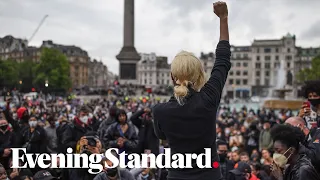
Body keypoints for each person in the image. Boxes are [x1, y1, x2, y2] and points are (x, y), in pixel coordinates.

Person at [152, 2, 230, 179]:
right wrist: (223, 19)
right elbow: (222, 61)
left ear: (172, 77)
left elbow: (161, 136)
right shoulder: (208, 99)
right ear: (200, 76)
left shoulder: (159, 111)